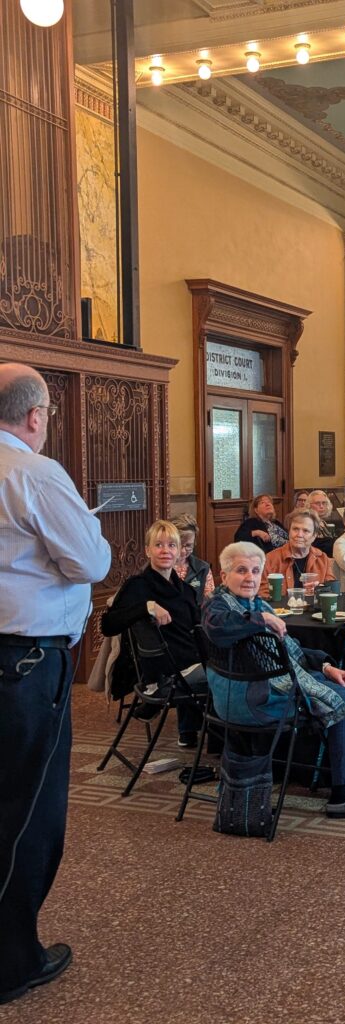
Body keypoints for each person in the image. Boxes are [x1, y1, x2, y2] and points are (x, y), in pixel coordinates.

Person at [0, 363, 111, 1005]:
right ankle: (12, 959)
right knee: (27, 812)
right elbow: (92, 561)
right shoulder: (35, 473)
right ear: (36, 416)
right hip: (26, 667)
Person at [203, 543, 345, 818]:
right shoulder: (217, 607)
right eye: (241, 570)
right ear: (224, 576)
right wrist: (262, 619)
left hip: (262, 687)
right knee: (343, 697)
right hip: (248, 700)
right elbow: (221, 629)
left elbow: (286, 647)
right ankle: (343, 796)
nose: (249, 577)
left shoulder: (254, 603)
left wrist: (326, 665)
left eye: (255, 570)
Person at [101, 520, 208, 748]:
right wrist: (146, 607)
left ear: (180, 551)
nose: (165, 550)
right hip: (164, 673)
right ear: (147, 550)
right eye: (158, 545)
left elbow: (198, 630)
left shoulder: (186, 591)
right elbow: (108, 625)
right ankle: (230, 744)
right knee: (228, 676)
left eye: (171, 545)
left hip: (189, 662)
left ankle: (197, 732)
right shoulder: (137, 586)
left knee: (229, 663)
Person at [259, 509, 335, 598]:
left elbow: (331, 590)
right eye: (295, 529)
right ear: (289, 531)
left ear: (314, 536)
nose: (299, 534)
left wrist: (319, 589)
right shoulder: (270, 559)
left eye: (305, 531)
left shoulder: (322, 558)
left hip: (313, 610)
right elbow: (261, 593)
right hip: (281, 610)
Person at [171, 514, 215, 605]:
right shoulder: (158, 567)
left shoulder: (203, 568)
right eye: (179, 545)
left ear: (194, 543)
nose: (183, 551)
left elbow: (210, 603)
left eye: (188, 546)